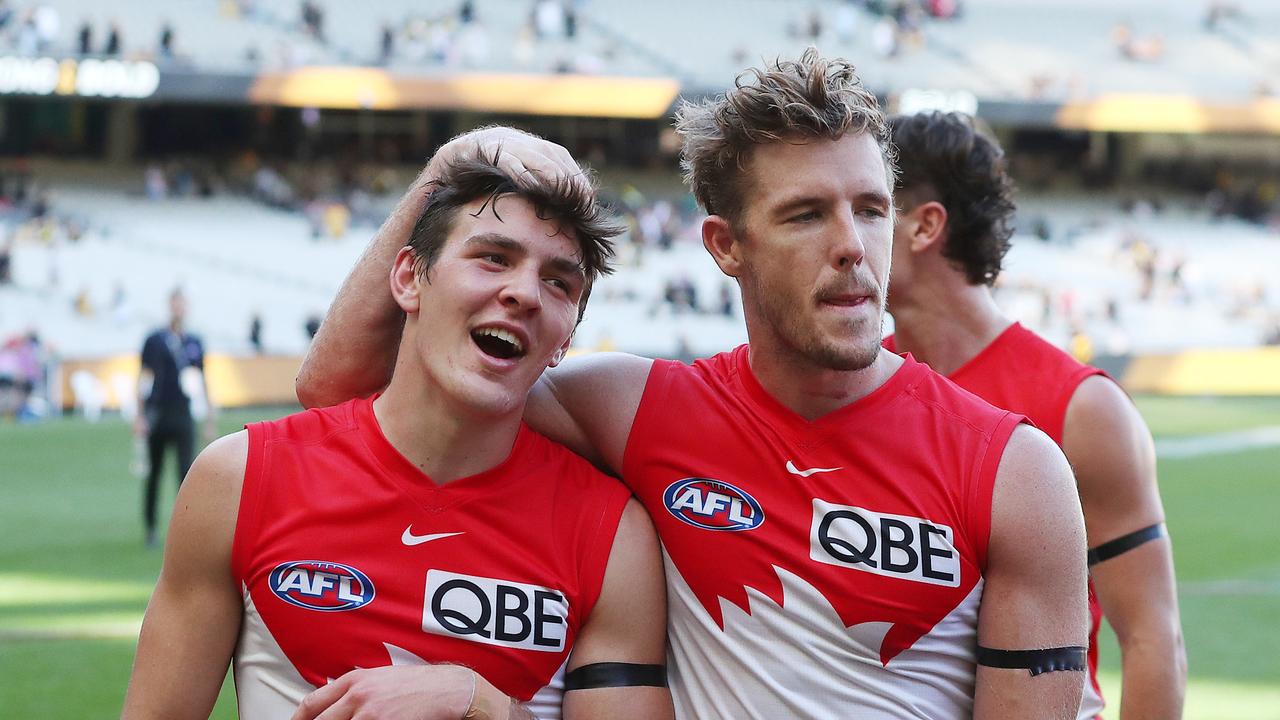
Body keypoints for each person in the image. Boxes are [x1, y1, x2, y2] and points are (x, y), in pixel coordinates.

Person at [298, 50, 1090, 719]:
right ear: (724, 246)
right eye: (806, 214)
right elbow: (344, 386)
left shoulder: (1016, 473)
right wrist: (452, 167)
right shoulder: (638, 411)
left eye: (872, 209)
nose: (853, 246)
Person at [123, 156, 672, 720]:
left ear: (566, 338)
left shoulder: (612, 536)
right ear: (409, 277)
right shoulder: (240, 479)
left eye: (558, 282)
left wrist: (478, 704)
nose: (525, 293)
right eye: (492, 258)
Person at [883, 111, 1186, 719]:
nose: (841, 237)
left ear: (923, 227)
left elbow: (1153, 639)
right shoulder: (846, 387)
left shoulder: (1083, 408)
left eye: (866, 209)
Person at [135, 288, 214, 548]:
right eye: (176, 303)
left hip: (183, 413)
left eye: (183, 303)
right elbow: (144, 377)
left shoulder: (194, 341)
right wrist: (140, 414)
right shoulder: (155, 340)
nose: (179, 308)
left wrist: (208, 416)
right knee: (154, 473)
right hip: (158, 412)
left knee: (186, 473)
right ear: (170, 305)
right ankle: (150, 529)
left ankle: (185, 530)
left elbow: (201, 379)